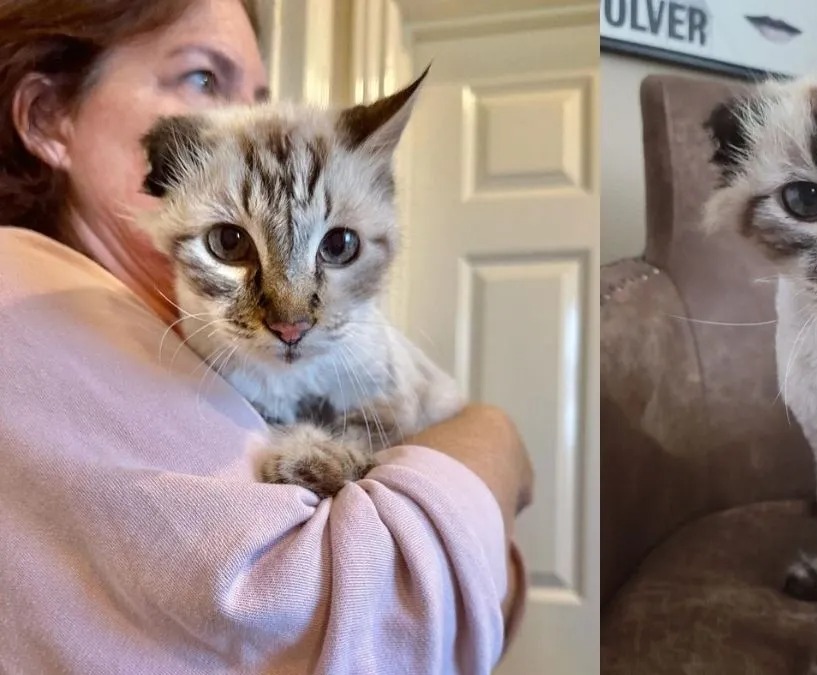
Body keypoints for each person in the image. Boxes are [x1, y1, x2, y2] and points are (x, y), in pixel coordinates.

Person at [0, 1, 534, 672]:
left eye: (255, 95)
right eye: (202, 81)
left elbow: (481, 601)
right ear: (49, 116)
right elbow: (390, 628)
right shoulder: (32, 299)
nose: (291, 312)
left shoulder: (157, 312)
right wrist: (496, 443)